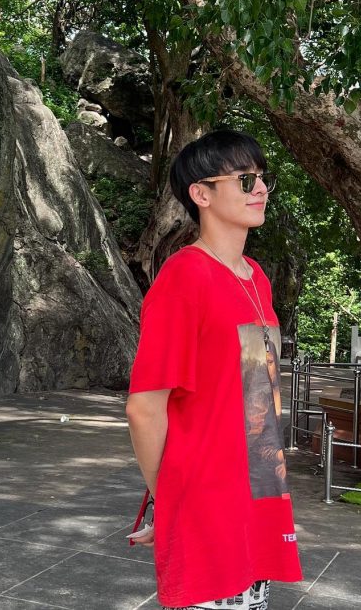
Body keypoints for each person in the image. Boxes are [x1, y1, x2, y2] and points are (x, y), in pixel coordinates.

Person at [126, 129, 302, 610]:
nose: (261, 189)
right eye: (245, 180)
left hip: (257, 492)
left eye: (262, 178)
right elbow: (145, 406)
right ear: (201, 194)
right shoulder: (185, 277)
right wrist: (170, 501)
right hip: (206, 501)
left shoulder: (256, 278)